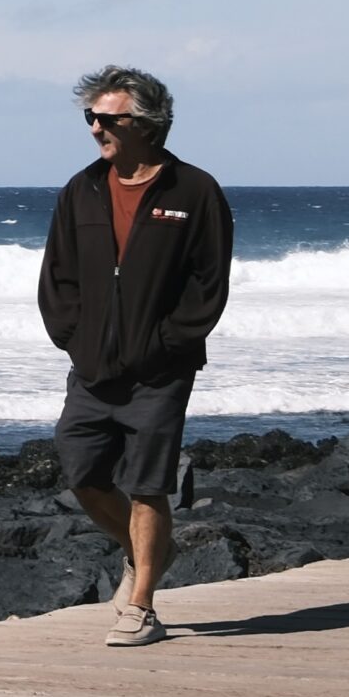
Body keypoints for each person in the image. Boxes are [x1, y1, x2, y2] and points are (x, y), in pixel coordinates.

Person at [37, 65, 234, 646]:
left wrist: (169, 342)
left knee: (149, 485)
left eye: (108, 118)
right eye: (90, 117)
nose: (96, 128)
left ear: (146, 123)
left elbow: (209, 282)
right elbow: (58, 274)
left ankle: (140, 606)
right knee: (80, 469)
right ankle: (147, 551)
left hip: (160, 370)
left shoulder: (194, 192)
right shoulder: (82, 189)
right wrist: (72, 334)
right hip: (92, 366)